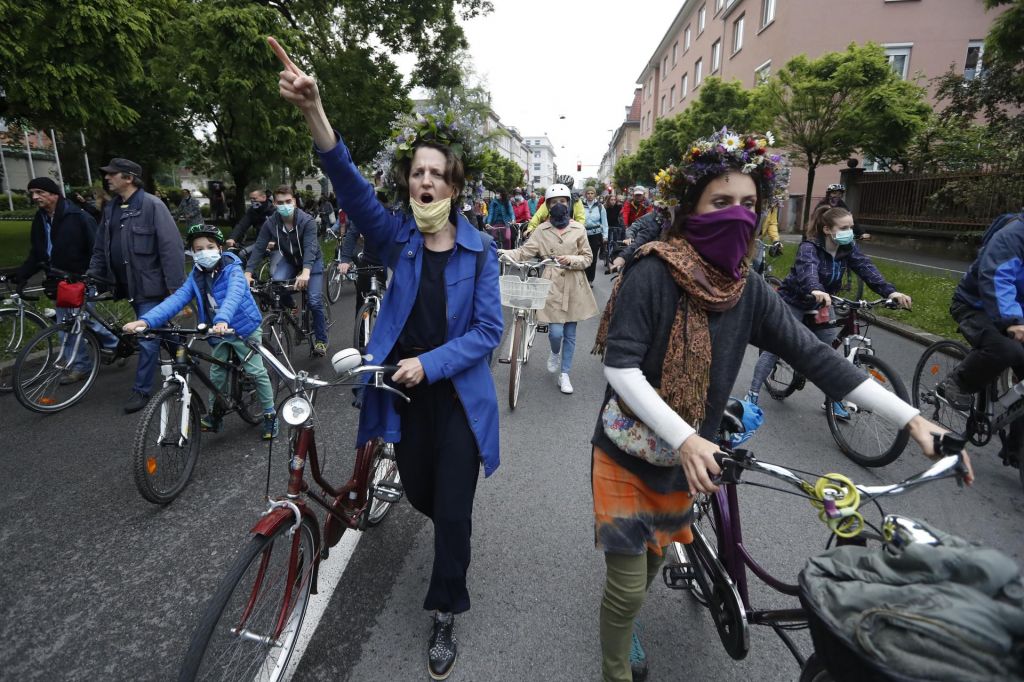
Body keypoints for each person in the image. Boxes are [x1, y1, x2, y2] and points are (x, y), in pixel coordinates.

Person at [589, 128, 963, 682]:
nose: (738, 216)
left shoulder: (750, 291)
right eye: (721, 203)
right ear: (690, 209)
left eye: (748, 204)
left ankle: (631, 615)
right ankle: (615, 667)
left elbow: (817, 358)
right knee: (624, 587)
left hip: (689, 461)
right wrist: (686, 436)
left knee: (651, 562)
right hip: (628, 452)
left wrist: (910, 419)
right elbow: (620, 368)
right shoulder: (652, 271)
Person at [271, 35, 503, 681]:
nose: (425, 180)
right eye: (417, 171)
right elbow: (345, 179)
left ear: (453, 183)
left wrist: (432, 363)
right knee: (426, 495)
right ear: (409, 181)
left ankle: (445, 607)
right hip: (400, 392)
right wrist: (313, 111)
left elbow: (488, 330)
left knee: (451, 510)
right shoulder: (394, 234)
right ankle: (440, 521)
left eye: (438, 172)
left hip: (455, 393)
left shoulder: (480, 251)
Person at [746, 204, 911, 412]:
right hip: (795, 299)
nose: (849, 232)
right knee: (776, 345)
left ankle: (831, 401)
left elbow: (867, 269)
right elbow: (809, 270)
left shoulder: (848, 249)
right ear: (827, 229)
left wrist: (890, 292)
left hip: (824, 301)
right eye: (843, 228)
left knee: (828, 353)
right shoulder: (809, 247)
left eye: (850, 227)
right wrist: (815, 288)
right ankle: (751, 394)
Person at [122, 224, 279, 439]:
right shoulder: (196, 275)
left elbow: (234, 294)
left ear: (220, 248)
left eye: (210, 246)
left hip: (242, 327)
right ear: (192, 253)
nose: (204, 252)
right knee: (217, 373)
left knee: (256, 372)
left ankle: (270, 415)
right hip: (218, 330)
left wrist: (223, 319)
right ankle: (216, 415)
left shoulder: (232, 269)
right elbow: (177, 299)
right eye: (198, 249)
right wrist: (145, 321)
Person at [87, 158, 186, 413]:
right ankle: (182, 356)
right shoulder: (111, 209)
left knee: (147, 335)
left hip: (150, 285)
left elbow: (171, 248)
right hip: (126, 284)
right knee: (160, 327)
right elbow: (101, 246)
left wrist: (176, 288)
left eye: (112, 174)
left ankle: (141, 390)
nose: (107, 178)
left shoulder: (153, 205)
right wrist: (93, 275)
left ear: (129, 178)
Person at [498, 183, 599, 394]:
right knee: (555, 333)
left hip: (574, 284)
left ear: (569, 204)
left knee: (570, 333)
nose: (559, 205)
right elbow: (525, 252)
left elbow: (588, 258)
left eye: (563, 202)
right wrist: (504, 253)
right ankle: (554, 353)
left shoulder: (579, 228)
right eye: (554, 202)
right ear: (548, 206)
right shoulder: (542, 230)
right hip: (551, 283)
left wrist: (572, 259)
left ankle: (565, 374)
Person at [939, 212, 1024, 459]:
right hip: (976, 305)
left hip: (1016, 311)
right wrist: (1013, 321)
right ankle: (957, 383)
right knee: (1008, 350)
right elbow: (997, 276)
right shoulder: (1014, 235)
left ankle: (1016, 449)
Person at [17, 177, 119, 383]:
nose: (34, 197)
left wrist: (97, 277)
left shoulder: (78, 216)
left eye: (39, 192)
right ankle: (112, 343)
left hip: (79, 279)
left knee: (72, 324)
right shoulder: (41, 218)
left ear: (54, 194)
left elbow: (97, 249)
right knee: (77, 321)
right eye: (32, 193)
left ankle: (82, 365)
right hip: (56, 280)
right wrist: (22, 276)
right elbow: (37, 252)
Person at [244, 185, 330, 357]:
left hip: (312, 262)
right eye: (280, 202)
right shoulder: (271, 223)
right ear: (274, 204)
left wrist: (306, 272)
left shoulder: (307, 221)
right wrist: (248, 272)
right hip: (290, 260)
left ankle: (321, 340)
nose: (284, 205)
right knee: (276, 283)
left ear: (295, 202)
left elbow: (310, 247)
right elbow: (260, 247)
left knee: (314, 301)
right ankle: (292, 307)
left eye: (288, 201)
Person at [581, 186, 608, 285]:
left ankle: (590, 279)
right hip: (583, 235)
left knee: (592, 258)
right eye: (588, 193)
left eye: (592, 193)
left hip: (596, 235)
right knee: (582, 257)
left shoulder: (600, 207)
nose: (590, 195)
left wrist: (605, 236)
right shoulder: (581, 205)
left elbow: (605, 223)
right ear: (585, 194)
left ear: (595, 194)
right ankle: (582, 278)